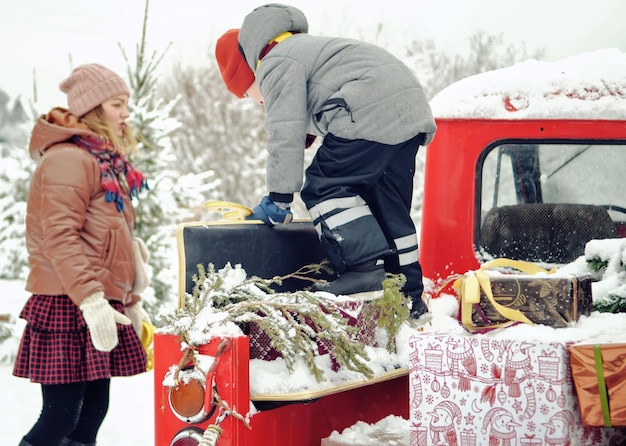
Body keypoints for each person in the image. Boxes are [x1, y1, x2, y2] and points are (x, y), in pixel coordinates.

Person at [215, 4, 437, 318]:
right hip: (408, 107)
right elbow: (315, 104)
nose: (257, 101)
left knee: (324, 187)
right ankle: (409, 296)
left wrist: (279, 198)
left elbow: (284, 128)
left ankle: (363, 271)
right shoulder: (306, 49)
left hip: (367, 108)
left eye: (248, 95)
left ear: (250, 72)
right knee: (386, 204)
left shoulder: (274, 62)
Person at [13, 63, 152, 446]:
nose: (126, 113)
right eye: (116, 104)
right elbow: (60, 237)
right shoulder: (67, 159)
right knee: (59, 419)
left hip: (98, 302)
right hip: (69, 302)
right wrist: (91, 300)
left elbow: (110, 239)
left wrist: (129, 299)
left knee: (90, 417)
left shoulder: (101, 161)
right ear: (93, 109)